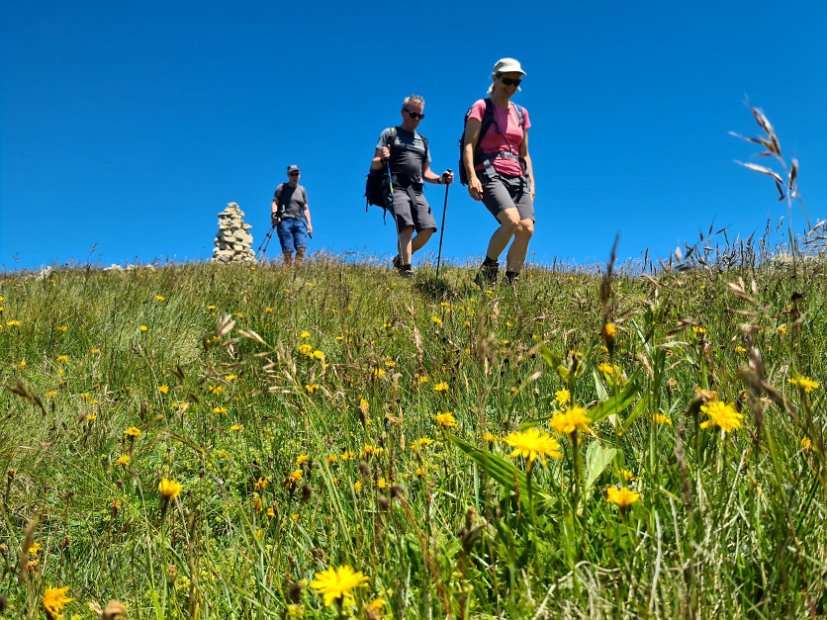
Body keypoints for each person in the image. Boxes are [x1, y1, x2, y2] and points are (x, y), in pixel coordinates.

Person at [462, 58, 535, 285]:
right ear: (495, 78)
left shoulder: (521, 114)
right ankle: (488, 269)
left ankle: (510, 282)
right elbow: (469, 144)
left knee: (526, 229)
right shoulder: (481, 107)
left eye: (516, 81)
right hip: (490, 171)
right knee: (511, 221)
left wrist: (531, 182)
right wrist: (472, 176)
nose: (512, 86)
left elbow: (524, 152)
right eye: (507, 80)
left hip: (518, 176)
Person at [371, 95, 454, 278]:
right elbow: (375, 164)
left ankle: (400, 259)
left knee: (428, 228)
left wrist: (441, 179)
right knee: (406, 223)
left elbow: (426, 172)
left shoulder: (422, 141)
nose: (416, 119)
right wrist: (384, 158)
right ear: (403, 112)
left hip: (416, 189)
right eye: (412, 114)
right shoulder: (389, 134)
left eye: (420, 116)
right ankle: (406, 268)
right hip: (394, 185)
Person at [271, 165, 313, 266]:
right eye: (292, 174)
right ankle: (288, 270)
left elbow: (306, 208)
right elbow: (274, 203)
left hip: (299, 221)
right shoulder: (282, 187)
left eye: (296, 174)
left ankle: (296, 269)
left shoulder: (302, 190)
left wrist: (309, 224)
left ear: (300, 175)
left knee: (301, 247)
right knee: (288, 250)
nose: (295, 176)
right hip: (285, 221)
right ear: (288, 175)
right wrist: (274, 216)